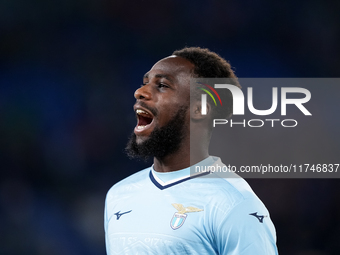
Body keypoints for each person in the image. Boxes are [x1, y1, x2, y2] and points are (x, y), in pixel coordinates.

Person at [104, 47, 278, 254]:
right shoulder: (119, 195)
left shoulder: (234, 204)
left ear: (200, 109)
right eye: (145, 83)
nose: (140, 92)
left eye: (161, 85)